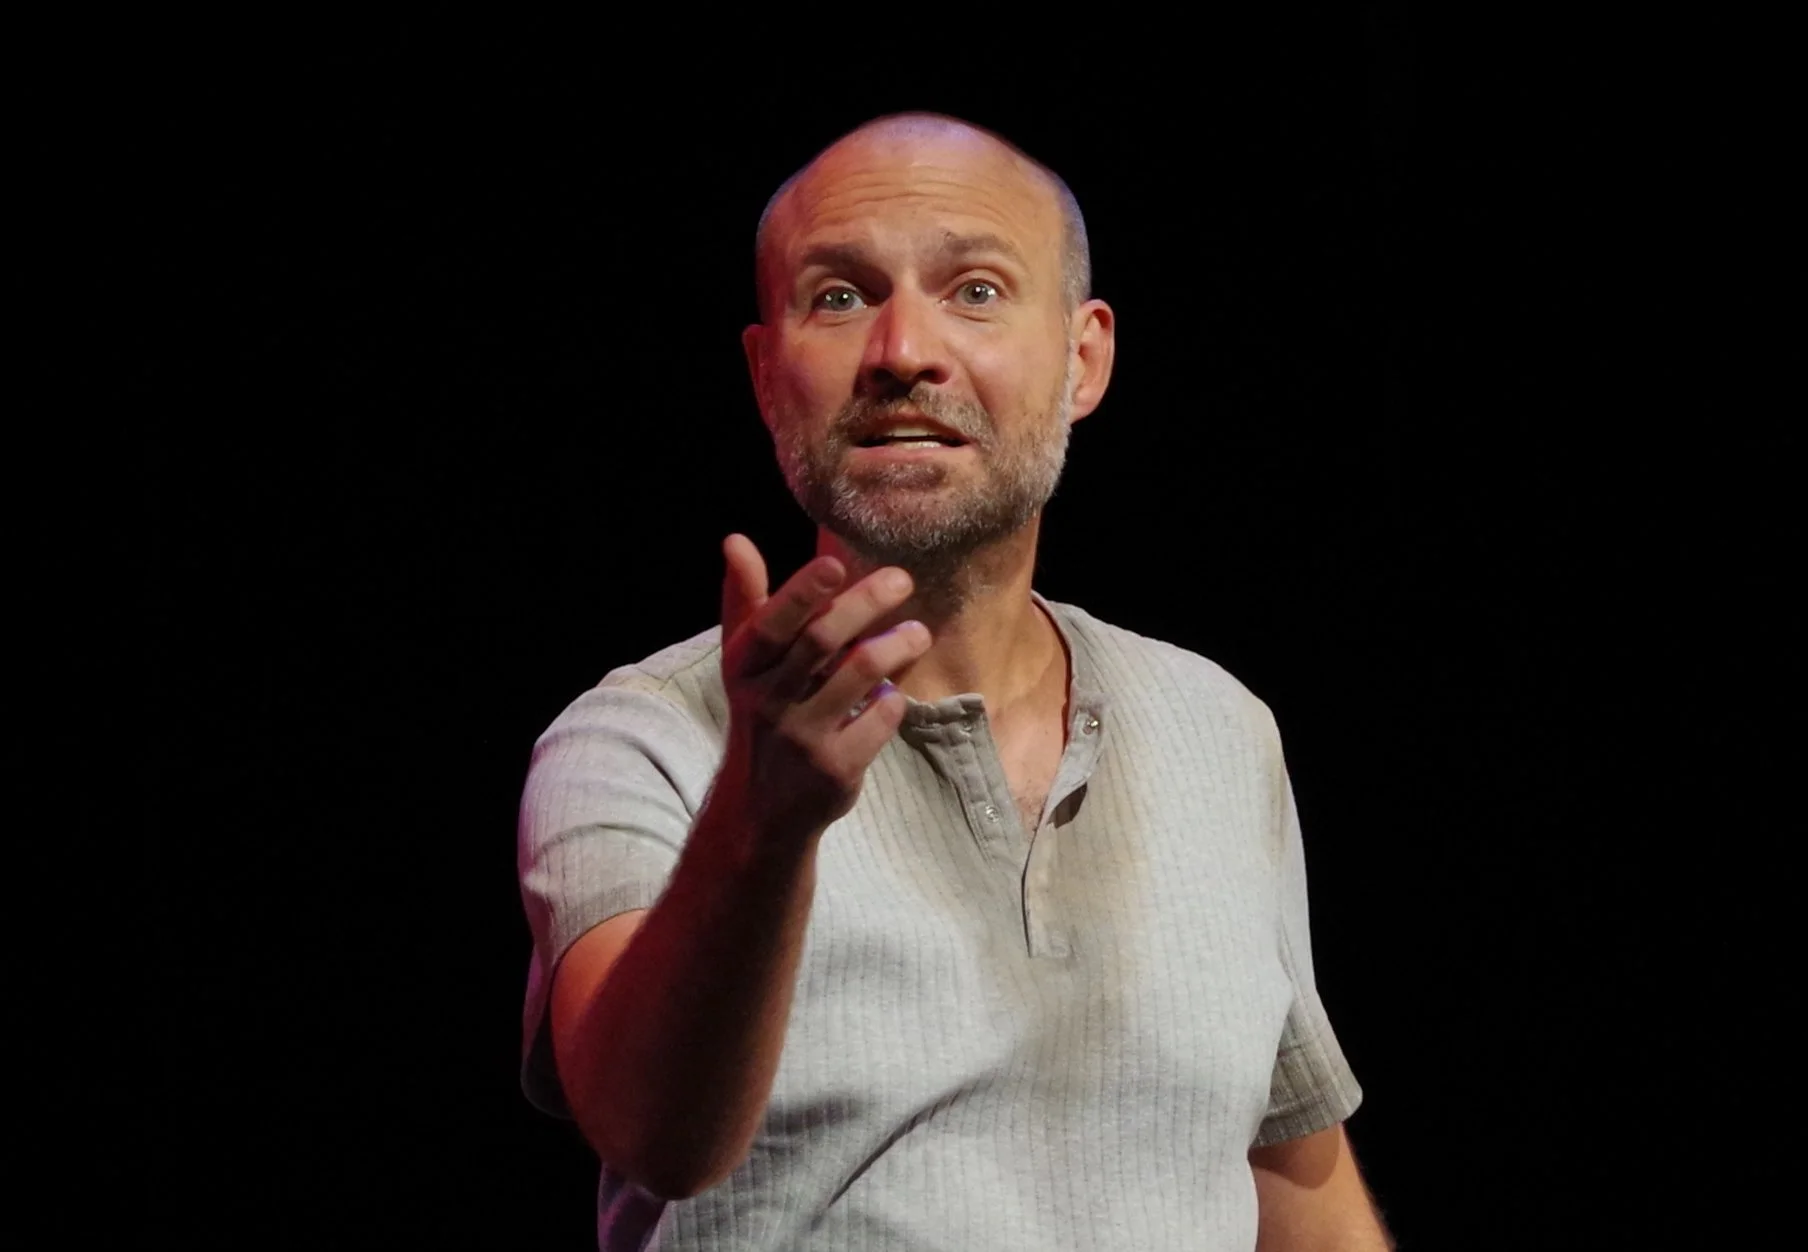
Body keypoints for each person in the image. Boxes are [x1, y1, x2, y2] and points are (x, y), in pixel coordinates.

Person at [517, 111, 1393, 1251]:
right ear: (765, 374)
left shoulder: (1218, 728)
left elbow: (1296, 1193)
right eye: (838, 296)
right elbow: (653, 1136)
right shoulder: (639, 742)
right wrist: (762, 820)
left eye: (974, 290)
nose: (901, 351)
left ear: (1083, 358)